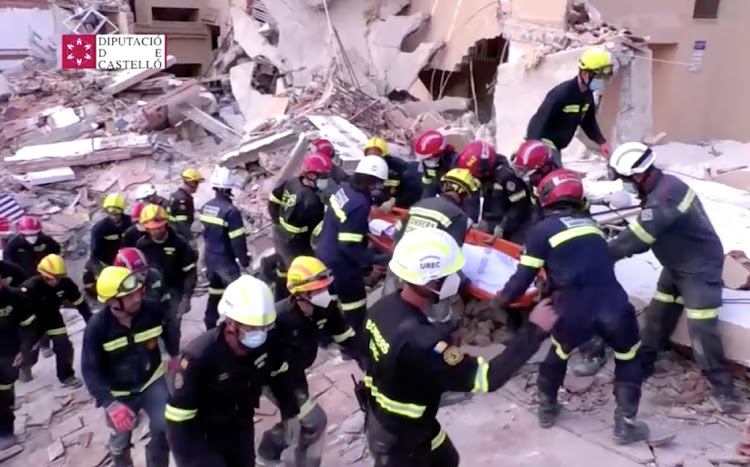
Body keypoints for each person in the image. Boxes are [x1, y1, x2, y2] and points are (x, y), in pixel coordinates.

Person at [364, 228, 557, 466]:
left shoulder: (382, 308)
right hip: (407, 441)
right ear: (429, 281)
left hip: (385, 420)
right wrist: (534, 332)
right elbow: (486, 378)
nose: (455, 278)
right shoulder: (425, 343)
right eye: (449, 274)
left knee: (449, 458)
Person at [494, 169, 649, 443]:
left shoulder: (540, 231)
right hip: (613, 303)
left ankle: (547, 408)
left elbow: (522, 278)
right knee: (628, 357)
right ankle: (625, 424)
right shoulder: (591, 225)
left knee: (559, 350)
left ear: (545, 198)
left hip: (572, 308)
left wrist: (502, 299)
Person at [605, 142, 740, 413]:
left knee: (702, 330)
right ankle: (644, 364)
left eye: (625, 180)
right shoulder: (660, 186)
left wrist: (601, 256)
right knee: (658, 316)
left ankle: (725, 389)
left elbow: (638, 239)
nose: (624, 185)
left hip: (699, 269)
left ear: (639, 175)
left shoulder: (665, 197)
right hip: (676, 264)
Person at [165, 275, 300, 467]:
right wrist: (186, 461)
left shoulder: (268, 342)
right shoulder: (199, 356)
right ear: (231, 323)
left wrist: (290, 412)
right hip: (203, 437)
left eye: (265, 326)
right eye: (253, 327)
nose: (260, 332)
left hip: (240, 426)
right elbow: (177, 419)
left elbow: (279, 375)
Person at [257, 256, 360, 466]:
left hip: (296, 374)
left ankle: (269, 450)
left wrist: (373, 365)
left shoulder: (326, 309)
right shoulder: (279, 318)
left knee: (299, 422)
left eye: (325, 288)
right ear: (300, 293)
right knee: (315, 421)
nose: (326, 294)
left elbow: (346, 338)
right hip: (275, 378)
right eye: (318, 290)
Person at [82, 266, 179, 467]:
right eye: (129, 295)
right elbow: (90, 371)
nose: (137, 298)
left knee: (164, 428)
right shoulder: (97, 327)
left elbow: (169, 328)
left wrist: (173, 354)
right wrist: (110, 403)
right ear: (112, 302)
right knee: (120, 440)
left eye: (137, 291)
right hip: (118, 393)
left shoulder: (152, 310)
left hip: (152, 381)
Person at [316, 155, 389, 337]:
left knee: (329, 301)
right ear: (372, 182)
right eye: (379, 183)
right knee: (354, 306)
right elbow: (349, 246)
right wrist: (378, 259)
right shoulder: (359, 204)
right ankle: (356, 346)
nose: (379, 188)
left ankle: (326, 338)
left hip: (325, 253)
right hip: (343, 265)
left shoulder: (345, 190)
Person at [526, 46, 613, 163]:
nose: (601, 81)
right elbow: (538, 120)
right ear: (585, 74)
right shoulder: (561, 94)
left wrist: (601, 142)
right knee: (556, 176)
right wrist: (532, 146)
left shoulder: (587, 96)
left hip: (557, 147)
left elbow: (588, 122)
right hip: (545, 144)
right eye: (598, 77)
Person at [20, 254, 91, 387]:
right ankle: (25, 367)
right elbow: (20, 313)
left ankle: (66, 376)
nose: (55, 282)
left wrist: (91, 323)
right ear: (42, 275)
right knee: (28, 351)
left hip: (53, 319)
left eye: (58, 278)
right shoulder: (29, 288)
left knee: (64, 345)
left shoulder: (66, 284)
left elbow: (80, 304)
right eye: (50, 279)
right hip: (32, 323)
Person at [268, 153, 330, 301]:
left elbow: (274, 198)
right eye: (322, 176)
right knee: (302, 277)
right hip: (296, 244)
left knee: (284, 269)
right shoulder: (311, 201)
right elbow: (316, 231)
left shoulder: (293, 182)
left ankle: (279, 296)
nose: (325, 179)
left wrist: (277, 219)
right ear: (310, 175)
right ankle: (294, 302)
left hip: (279, 234)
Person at [199, 166, 251, 330]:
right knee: (239, 296)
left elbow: (205, 234)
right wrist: (244, 261)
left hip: (210, 258)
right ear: (230, 188)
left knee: (214, 292)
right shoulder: (231, 212)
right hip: (225, 262)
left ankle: (210, 324)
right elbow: (237, 241)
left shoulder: (207, 207)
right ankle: (242, 327)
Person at [136, 204, 197, 343]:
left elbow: (190, 272)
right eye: (153, 228)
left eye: (160, 226)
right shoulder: (142, 245)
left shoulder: (179, 243)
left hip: (175, 291)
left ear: (166, 223)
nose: (157, 231)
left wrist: (186, 297)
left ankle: (173, 354)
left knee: (173, 328)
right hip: (151, 294)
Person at [456, 141, 531, 243]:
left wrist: (502, 227)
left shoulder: (506, 177)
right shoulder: (486, 173)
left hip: (513, 228)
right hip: (491, 223)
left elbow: (520, 206)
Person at [0, 278, 38, 449]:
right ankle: (5, 431)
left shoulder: (14, 297)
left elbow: (29, 326)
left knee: (5, 392)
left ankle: (6, 427)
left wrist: (24, 350)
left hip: (11, 354)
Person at [83, 194, 133, 300]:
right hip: (107, 262)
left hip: (127, 260)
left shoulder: (129, 223)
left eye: (117, 214)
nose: (114, 217)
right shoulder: (99, 229)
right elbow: (94, 253)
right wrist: (99, 273)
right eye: (111, 213)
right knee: (91, 277)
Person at [364, 137, 421, 210]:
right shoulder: (365, 167)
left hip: (397, 207)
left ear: (383, 155)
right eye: (370, 155)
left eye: (376, 154)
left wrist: (395, 201)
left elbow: (412, 193)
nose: (373, 159)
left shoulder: (399, 168)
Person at [413, 130, 459, 198]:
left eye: (428, 158)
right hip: (440, 194)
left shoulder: (455, 162)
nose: (425, 161)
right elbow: (427, 187)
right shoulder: (427, 164)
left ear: (439, 154)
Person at [169, 168, 204, 242]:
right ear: (191, 183)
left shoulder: (177, 194)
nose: (197, 186)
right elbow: (182, 223)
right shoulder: (183, 199)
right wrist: (189, 239)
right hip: (180, 235)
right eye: (196, 183)